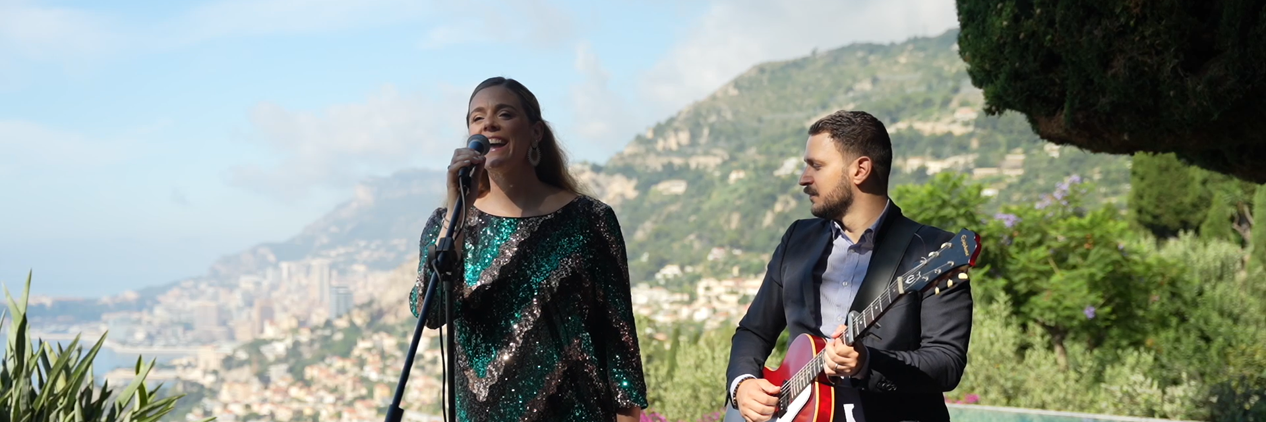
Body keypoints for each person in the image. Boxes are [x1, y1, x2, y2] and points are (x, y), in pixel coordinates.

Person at [408, 76, 648, 422]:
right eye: (477, 118)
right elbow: (431, 313)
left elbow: (618, 333)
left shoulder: (589, 219)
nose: (488, 123)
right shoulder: (447, 225)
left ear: (535, 133)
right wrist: (456, 206)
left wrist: (627, 414)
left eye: (504, 114)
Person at [725, 111, 973, 422]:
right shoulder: (796, 239)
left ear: (860, 170)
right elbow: (753, 330)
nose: (804, 178)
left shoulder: (932, 252)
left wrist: (866, 363)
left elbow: (946, 363)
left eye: (816, 166)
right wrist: (743, 384)